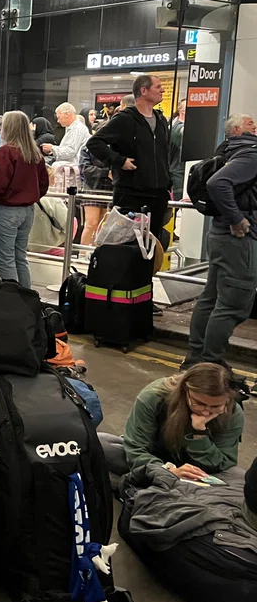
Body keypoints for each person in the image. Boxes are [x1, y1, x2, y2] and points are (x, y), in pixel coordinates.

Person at [182, 118, 257, 379]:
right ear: (236, 130)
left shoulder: (227, 151)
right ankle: (211, 365)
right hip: (238, 237)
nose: (255, 126)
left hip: (220, 234)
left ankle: (196, 359)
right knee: (234, 303)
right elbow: (217, 183)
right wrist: (237, 219)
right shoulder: (250, 154)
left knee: (211, 297)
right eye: (250, 123)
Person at [98, 363, 244, 478]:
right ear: (185, 390)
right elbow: (136, 447)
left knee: (239, 476)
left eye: (215, 406)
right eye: (199, 403)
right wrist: (168, 471)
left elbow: (224, 464)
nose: (206, 411)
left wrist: (199, 434)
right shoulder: (154, 396)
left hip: (199, 472)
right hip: (156, 462)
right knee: (101, 443)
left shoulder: (233, 412)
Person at [87, 75, 172, 241]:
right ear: (143, 90)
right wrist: (119, 161)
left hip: (158, 195)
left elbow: (163, 154)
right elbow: (95, 143)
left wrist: (166, 181)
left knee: (153, 248)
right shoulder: (125, 119)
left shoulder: (161, 121)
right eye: (158, 86)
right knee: (128, 246)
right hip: (131, 194)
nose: (162, 90)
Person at [0, 111, 49, 289]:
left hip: (6, 210)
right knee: (20, 256)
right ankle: (26, 298)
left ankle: (11, 300)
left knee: (5, 258)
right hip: (28, 210)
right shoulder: (35, 153)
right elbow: (43, 183)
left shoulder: (5, 152)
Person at [169, 99, 187, 197]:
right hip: (178, 171)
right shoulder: (179, 129)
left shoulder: (172, 126)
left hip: (177, 169)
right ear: (183, 111)